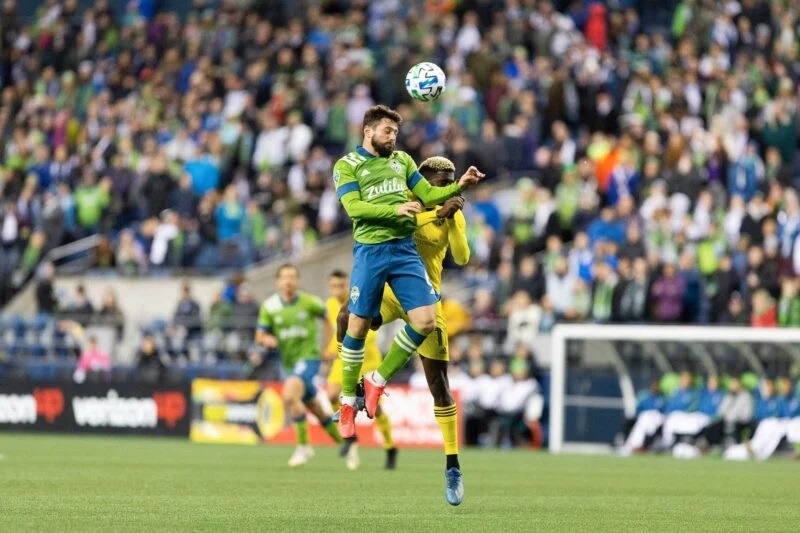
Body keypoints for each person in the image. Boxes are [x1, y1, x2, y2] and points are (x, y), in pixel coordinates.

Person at [334, 105, 482, 453]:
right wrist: (395, 210)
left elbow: (430, 195)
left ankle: (378, 378)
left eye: (396, 133)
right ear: (368, 131)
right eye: (388, 132)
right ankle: (346, 400)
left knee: (427, 320)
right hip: (370, 250)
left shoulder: (402, 161)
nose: (393, 138)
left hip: (403, 252)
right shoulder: (346, 166)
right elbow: (354, 208)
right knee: (354, 325)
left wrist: (460, 185)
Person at [336, 155, 473, 505]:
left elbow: (463, 256)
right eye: (438, 182)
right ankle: (350, 394)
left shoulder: (450, 216)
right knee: (345, 317)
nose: (443, 187)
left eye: (448, 181)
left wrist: (453, 219)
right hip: (392, 291)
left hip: (427, 299)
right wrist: (434, 213)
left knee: (439, 388)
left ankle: (452, 465)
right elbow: (402, 225)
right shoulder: (409, 203)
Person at [254, 264, 344, 467]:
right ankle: (344, 444)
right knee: (314, 406)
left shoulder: (309, 302)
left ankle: (303, 447)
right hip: (288, 362)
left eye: (293, 277)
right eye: (284, 277)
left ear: (298, 280)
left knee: (289, 396)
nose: (288, 281)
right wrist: (267, 340)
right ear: (278, 281)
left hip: (309, 358)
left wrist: (327, 347)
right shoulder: (270, 307)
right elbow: (259, 336)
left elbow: (329, 320)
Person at [324, 270, 396, 470]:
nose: (337, 290)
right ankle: (350, 436)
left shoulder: (360, 299)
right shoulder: (329, 305)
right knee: (331, 394)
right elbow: (333, 332)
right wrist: (330, 350)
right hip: (343, 357)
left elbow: (369, 333)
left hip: (367, 359)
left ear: (347, 284)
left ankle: (390, 447)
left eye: (340, 286)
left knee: (375, 408)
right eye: (333, 286)